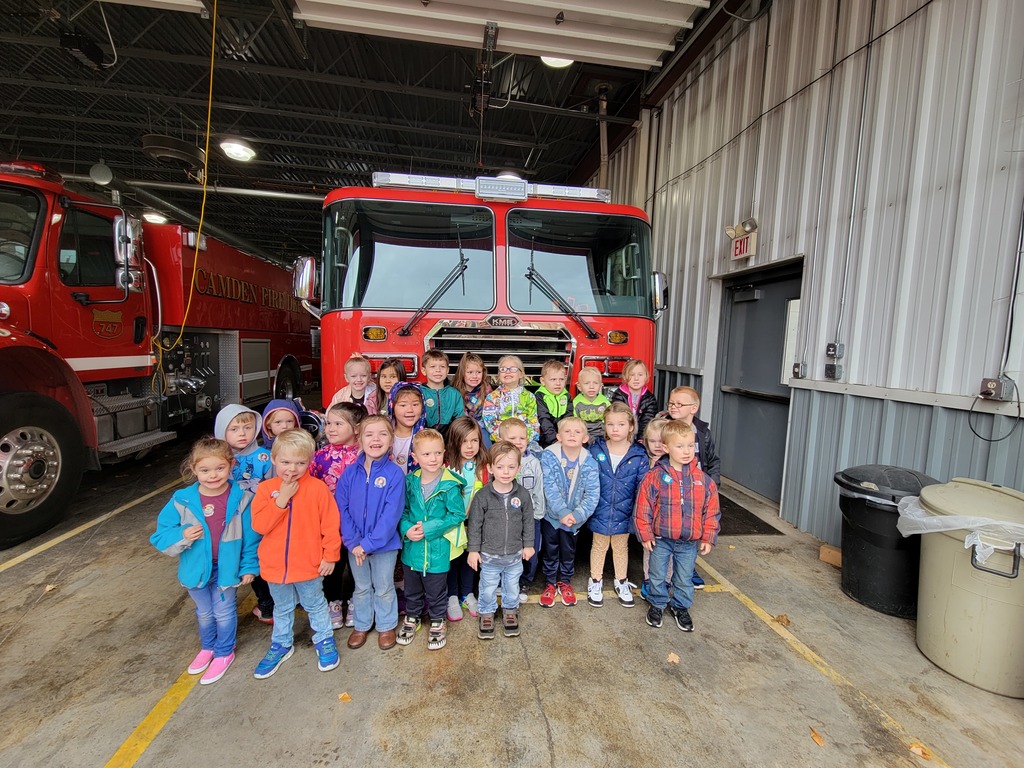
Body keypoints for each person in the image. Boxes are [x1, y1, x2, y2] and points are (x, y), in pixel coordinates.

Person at [150, 437, 259, 685]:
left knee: (223, 611)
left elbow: (252, 537)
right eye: (205, 470)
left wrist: (249, 566)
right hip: (196, 568)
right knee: (204, 612)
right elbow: (160, 535)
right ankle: (208, 647)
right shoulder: (182, 499)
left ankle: (224, 651)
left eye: (220, 468)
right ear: (193, 469)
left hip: (227, 567)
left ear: (231, 465)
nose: (213, 475)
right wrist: (182, 534)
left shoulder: (242, 498)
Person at [251, 429, 341, 678]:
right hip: (274, 565)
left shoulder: (317, 489)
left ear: (309, 462)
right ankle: (281, 643)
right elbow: (260, 526)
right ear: (273, 459)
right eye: (286, 462)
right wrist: (281, 501)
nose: (292, 469)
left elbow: (330, 524)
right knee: (282, 607)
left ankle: (324, 639)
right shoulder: (265, 490)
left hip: (309, 564)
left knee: (315, 604)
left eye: (301, 463)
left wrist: (330, 555)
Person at [633, 420, 721, 632]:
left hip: (689, 542)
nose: (686, 451)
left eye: (690, 445)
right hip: (661, 539)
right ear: (666, 448)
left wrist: (709, 536)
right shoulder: (654, 477)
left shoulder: (703, 480)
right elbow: (643, 507)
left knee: (683, 578)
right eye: (680, 446)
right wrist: (645, 534)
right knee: (656, 574)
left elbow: (711, 511)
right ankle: (657, 603)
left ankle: (680, 606)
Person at [336, 415, 405, 651]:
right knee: (362, 586)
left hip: (384, 546)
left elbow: (391, 515)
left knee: (384, 586)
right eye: (369, 434)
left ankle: (386, 625)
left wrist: (368, 544)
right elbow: (342, 508)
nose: (376, 439)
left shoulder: (395, 474)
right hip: (355, 547)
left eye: (382, 434)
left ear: (391, 440)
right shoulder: (349, 474)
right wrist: (354, 542)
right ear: (359, 439)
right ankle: (362, 624)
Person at [396, 429, 465, 650]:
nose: (432, 459)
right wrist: (406, 530)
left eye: (437, 453)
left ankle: (437, 619)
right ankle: (413, 616)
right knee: (412, 589)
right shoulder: (409, 482)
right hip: (412, 548)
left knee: (437, 590)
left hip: (438, 549)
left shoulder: (450, 484)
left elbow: (457, 514)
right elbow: (403, 512)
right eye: (426, 454)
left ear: (444, 453)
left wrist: (429, 528)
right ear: (415, 458)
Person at [467, 442, 535, 639]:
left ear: (519, 468)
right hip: (489, 555)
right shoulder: (483, 496)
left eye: (511, 467)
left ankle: (510, 610)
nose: (506, 472)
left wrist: (528, 545)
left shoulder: (522, 495)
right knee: (487, 586)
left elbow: (528, 521)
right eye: (500, 467)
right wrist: (473, 550)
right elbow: (475, 524)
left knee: (512, 585)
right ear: (490, 468)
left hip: (514, 554)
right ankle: (486, 612)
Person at [214, 404, 275, 624]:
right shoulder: (219, 460)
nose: (242, 433)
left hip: (261, 520)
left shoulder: (266, 457)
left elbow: (275, 487)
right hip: (230, 522)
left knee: (259, 561)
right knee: (237, 561)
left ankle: (268, 604)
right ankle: (224, 608)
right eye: (234, 429)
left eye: (247, 427)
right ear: (222, 431)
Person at [309, 402, 366, 630]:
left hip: (357, 523)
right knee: (331, 564)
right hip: (328, 524)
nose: (331, 428)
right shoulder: (319, 457)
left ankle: (353, 601)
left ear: (356, 428)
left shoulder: (365, 455)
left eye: (338, 424)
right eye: (329, 423)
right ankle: (333, 602)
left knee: (355, 565)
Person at [587, 402, 649, 608]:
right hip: (601, 508)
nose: (615, 429)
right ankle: (595, 580)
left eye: (621, 424)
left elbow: (642, 486)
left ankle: (621, 581)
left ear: (631, 426)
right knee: (599, 546)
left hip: (625, 510)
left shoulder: (639, 454)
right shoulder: (596, 450)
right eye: (610, 424)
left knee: (621, 547)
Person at [538, 416, 599, 608]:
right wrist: (562, 511)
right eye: (567, 431)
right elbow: (549, 487)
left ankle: (564, 581)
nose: (572, 435)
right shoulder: (549, 456)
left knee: (568, 551)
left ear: (585, 438)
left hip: (575, 520)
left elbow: (593, 493)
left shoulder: (589, 461)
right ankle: (549, 582)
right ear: (558, 436)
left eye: (577, 432)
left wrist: (577, 515)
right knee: (550, 550)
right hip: (552, 517)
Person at [663, 385, 720, 590]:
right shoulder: (664, 427)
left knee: (692, 529)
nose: (673, 407)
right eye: (671, 403)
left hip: (696, 489)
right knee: (669, 529)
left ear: (693, 408)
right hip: (670, 488)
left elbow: (712, 460)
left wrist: (711, 485)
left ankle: (688, 569)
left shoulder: (703, 432)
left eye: (679, 404)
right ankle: (666, 572)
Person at [443, 416, 487, 621]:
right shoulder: (446, 466)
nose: (469, 447)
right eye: (464, 441)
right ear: (454, 441)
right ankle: (451, 595)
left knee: (472, 556)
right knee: (453, 558)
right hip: (452, 523)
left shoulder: (484, 466)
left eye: (474, 440)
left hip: (475, 522)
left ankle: (467, 593)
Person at [496, 417, 545, 602]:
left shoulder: (534, 463)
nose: (518, 442)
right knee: (506, 550)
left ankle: (524, 582)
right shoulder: (498, 463)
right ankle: (504, 581)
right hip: (506, 517)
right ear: (500, 441)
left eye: (522, 438)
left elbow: (539, 490)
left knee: (530, 551)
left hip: (531, 517)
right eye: (512, 439)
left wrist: (538, 515)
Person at [638, 417, 669, 602]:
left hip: (667, 517)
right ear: (645, 441)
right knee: (649, 549)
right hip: (648, 517)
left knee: (669, 552)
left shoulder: (673, 461)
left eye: (662, 441)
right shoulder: (642, 459)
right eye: (653, 441)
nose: (657, 445)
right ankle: (649, 580)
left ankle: (666, 581)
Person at [482, 354, 539, 444]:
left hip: (524, 441)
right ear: (499, 374)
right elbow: (489, 421)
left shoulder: (529, 397)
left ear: (521, 374)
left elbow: (533, 420)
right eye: (503, 369)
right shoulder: (492, 397)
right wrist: (499, 437)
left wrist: (526, 438)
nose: (507, 372)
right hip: (502, 441)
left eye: (513, 369)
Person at [609, 359, 658, 444]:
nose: (636, 378)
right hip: (622, 435)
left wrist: (641, 440)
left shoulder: (649, 398)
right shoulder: (619, 395)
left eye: (640, 375)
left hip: (640, 436)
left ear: (646, 377)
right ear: (625, 376)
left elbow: (647, 420)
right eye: (632, 375)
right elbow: (618, 418)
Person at [420, 349, 465, 437]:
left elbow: (459, 419)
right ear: (424, 370)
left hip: (450, 436)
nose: (438, 370)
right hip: (424, 436)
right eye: (433, 366)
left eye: (442, 367)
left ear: (447, 370)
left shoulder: (454, 394)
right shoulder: (419, 393)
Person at [452, 352, 492, 446]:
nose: (474, 376)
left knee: (486, 443)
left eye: (478, 372)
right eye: (470, 372)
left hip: (482, 425)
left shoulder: (486, 389)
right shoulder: (455, 391)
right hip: (463, 425)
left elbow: (491, 410)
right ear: (462, 373)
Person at [387, 381, 426, 475]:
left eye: (415, 404)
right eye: (403, 405)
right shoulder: (384, 435)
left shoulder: (427, 438)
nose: (410, 410)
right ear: (392, 407)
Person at [535, 359, 570, 448]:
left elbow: (569, 417)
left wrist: (565, 437)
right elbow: (543, 419)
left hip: (563, 438)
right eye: (553, 379)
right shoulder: (540, 396)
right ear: (543, 381)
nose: (558, 383)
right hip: (545, 439)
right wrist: (554, 440)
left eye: (561, 379)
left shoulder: (567, 396)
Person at [573, 367, 611, 443]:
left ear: (600, 386)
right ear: (579, 387)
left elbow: (609, 421)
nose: (591, 387)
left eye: (595, 383)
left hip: (601, 435)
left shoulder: (605, 402)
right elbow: (576, 424)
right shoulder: (576, 403)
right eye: (587, 383)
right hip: (583, 436)